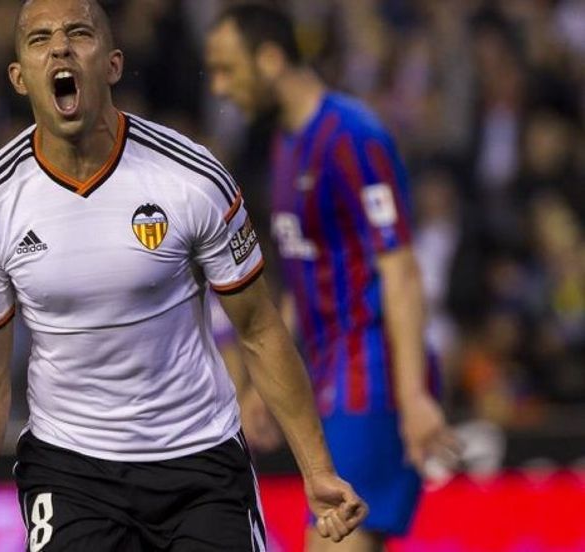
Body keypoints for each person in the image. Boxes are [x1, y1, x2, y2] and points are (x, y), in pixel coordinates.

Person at [0, 1, 367, 551]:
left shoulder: (192, 179)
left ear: (113, 65)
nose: (60, 48)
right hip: (70, 470)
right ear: (19, 78)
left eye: (78, 33)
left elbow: (259, 328)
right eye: (39, 40)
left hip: (198, 458)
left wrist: (316, 470)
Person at [205, 4, 460, 551]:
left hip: (373, 378)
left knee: (333, 538)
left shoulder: (353, 136)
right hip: (328, 379)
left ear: (270, 59)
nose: (221, 87)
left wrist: (413, 396)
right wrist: (262, 388)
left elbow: (402, 270)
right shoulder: (286, 144)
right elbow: (301, 280)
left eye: (228, 69)